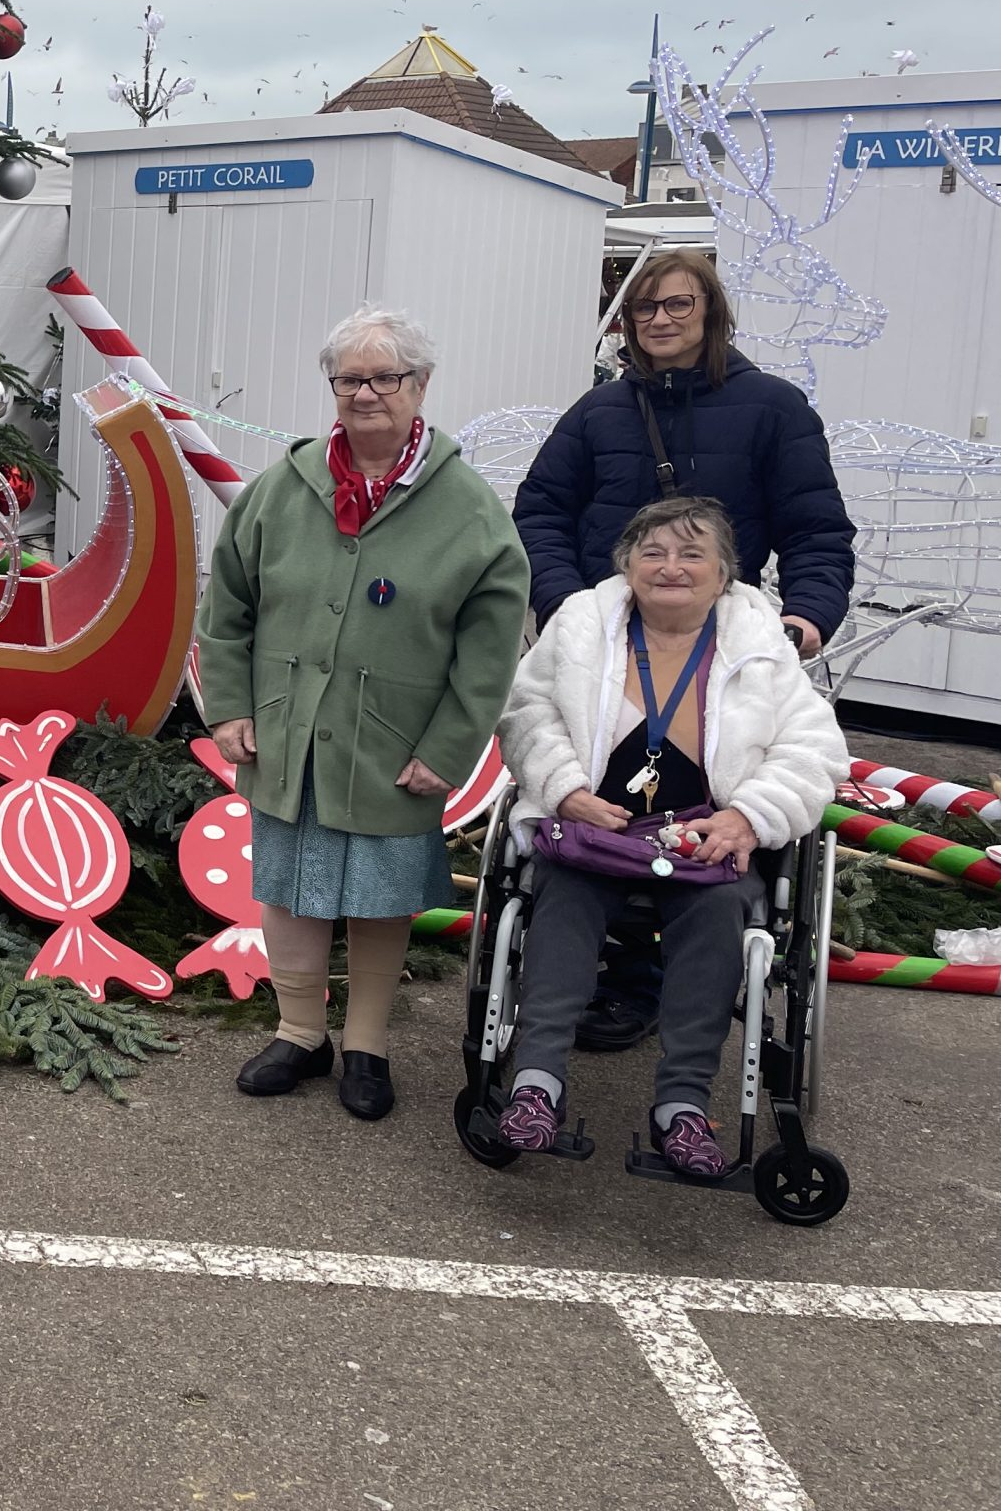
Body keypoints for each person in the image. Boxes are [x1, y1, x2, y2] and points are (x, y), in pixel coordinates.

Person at [513, 249, 855, 1051]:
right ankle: (611, 971)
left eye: (677, 304)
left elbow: (815, 528)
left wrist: (805, 615)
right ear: (626, 323)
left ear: (710, 313)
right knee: (606, 790)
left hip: (712, 640)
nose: (660, 319)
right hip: (606, 651)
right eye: (644, 308)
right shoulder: (597, 413)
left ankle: (667, 976)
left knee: (696, 787)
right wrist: (563, 606)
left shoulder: (773, 408)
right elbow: (541, 513)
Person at [198, 305, 529, 1120]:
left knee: (381, 892)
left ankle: (368, 1047)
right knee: (287, 884)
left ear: (421, 385)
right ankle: (300, 1033)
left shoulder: (467, 509)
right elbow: (227, 606)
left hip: (394, 743)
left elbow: (491, 648)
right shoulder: (283, 488)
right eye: (349, 379)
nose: (365, 394)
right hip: (289, 732)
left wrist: (450, 747)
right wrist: (230, 707)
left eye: (385, 377)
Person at [494, 497, 845, 1178]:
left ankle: (682, 1107)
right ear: (626, 565)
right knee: (562, 895)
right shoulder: (583, 623)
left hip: (702, 840)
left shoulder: (760, 644)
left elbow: (814, 751)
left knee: (720, 910)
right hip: (596, 830)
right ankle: (536, 1085)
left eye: (691, 554)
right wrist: (566, 790)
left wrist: (747, 818)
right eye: (652, 552)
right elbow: (527, 713)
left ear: (724, 572)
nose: (670, 567)